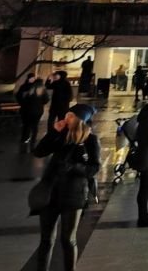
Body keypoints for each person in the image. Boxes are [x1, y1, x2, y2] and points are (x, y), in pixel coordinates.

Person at [32, 104, 101, 271]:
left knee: (68, 239)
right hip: (51, 193)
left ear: (80, 119)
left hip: (73, 195)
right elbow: (39, 152)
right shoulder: (61, 135)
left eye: (70, 116)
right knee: (46, 239)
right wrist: (54, 132)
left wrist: (74, 167)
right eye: (67, 115)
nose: (66, 118)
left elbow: (94, 168)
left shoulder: (90, 140)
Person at [19, 78, 49, 152]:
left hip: (29, 110)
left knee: (28, 124)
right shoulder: (43, 90)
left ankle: (25, 139)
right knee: (35, 125)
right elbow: (46, 100)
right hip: (38, 110)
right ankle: (33, 139)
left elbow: (24, 99)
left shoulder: (31, 90)